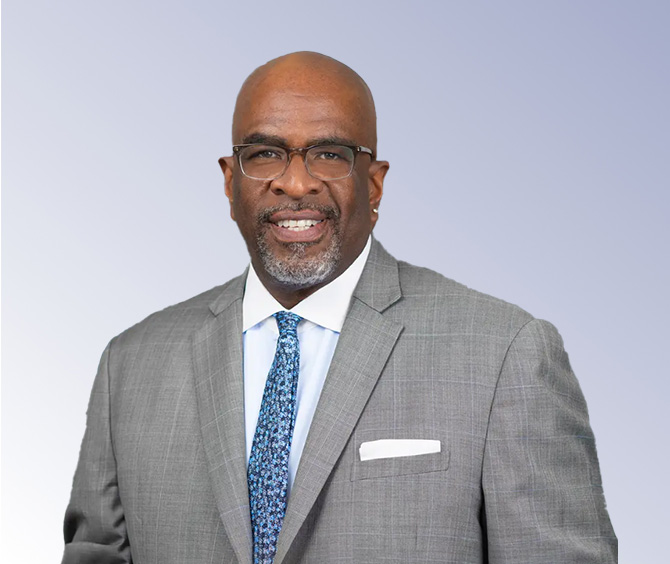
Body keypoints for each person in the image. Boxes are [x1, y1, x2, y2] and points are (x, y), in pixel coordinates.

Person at [62, 52, 617, 564]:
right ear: (230, 182)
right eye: (265, 154)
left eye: (329, 154)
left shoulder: (504, 354)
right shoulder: (129, 366)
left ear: (373, 186)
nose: (295, 183)